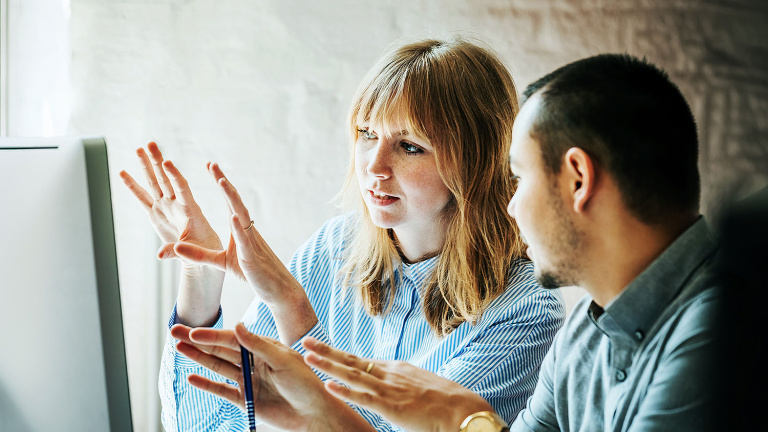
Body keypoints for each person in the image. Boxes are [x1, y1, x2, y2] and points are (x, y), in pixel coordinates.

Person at [182, 53, 721, 432]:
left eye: (520, 176)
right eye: (366, 135)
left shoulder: (721, 333)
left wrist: (457, 421)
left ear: (578, 180)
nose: (511, 203)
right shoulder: (590, 328)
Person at [120, 37, 565, 432]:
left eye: (410, 146)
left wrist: (291, 307)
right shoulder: (334, 248)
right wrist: (200, 275)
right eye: (366, 134)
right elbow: (210, 425)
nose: (374, 166)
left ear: (476, 161)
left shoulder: (525, 311)